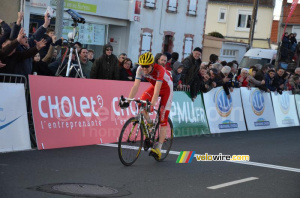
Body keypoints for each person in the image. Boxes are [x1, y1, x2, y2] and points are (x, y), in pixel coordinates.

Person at [120, 52, 173, 160]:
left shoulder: (159, 70)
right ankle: (150, 123)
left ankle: (158, 148)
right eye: (142, 66)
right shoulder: (140, 69)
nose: (143, 68)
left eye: (146, 66)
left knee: (163, 118)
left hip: (167, 89)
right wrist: (128, 101)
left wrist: (152, 105)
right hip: (155, 87)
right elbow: (135, 86)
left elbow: (157, 91)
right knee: (141, 102)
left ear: (152, 64)